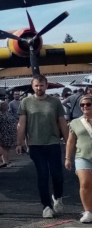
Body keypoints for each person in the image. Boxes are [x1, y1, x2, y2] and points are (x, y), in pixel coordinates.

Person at [16, 74, 68, 219]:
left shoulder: (55, 102)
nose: (39, 88)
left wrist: (68, 141)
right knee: (43, 174)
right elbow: (21, 124)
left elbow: (62, 122)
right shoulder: (25, 102)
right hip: (35, 144)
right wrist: (19, 142)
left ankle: (57, 197)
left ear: (46, 86)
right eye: (36, 85)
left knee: (57, 175)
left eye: (42, 85)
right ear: (32, 86)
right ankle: (46, 206)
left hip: (53, 142)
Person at [64, 94, 92, 224]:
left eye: (88, 104)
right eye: (82, 105)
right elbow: (70, 141)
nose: (85, 107)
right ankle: (88, 212)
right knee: (85, 183)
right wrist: (68, 158)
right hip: (82, 156)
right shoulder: (75, 122)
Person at [0, 100, 17, 168]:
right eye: (4, 105)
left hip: (10, 132)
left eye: (6, 105)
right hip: (3, 132)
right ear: (0, 106)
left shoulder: (9, 113)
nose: (6, 106)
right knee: (4, 148)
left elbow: (13, 121)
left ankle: (7, 161)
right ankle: (5, 162)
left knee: (8, 148)